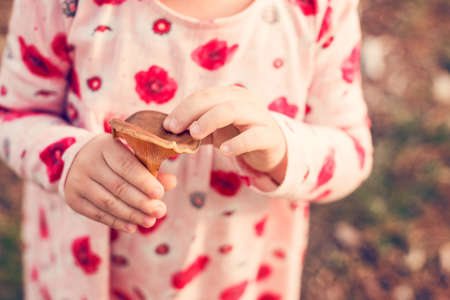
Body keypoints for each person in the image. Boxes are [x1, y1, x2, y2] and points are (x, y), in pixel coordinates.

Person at [0, 0, 373, 299]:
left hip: (236, 274)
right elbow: (14, 113)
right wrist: (68, 159)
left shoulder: (317, 9)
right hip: (89, 275)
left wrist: (282, 149)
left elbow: (352, 149)